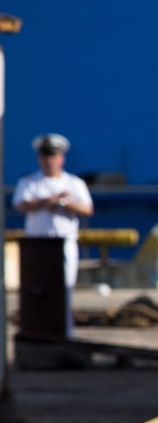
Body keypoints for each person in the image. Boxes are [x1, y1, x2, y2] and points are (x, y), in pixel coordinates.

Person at [13, 134, 94, 337]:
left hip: (64, 244)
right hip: (37, 245)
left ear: (61, 158)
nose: (50, 161)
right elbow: (21, 204)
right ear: (40, 158)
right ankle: (37, 332)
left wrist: (63, 203)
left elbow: (87, 209)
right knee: (36, 291)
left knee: (64, 291)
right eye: (45, 156)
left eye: (54, 156)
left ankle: (65, 334)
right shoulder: (30, 182)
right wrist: (47, 201)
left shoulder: (74, 183)